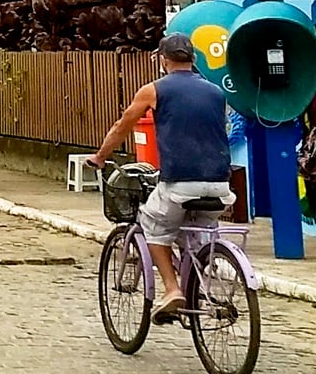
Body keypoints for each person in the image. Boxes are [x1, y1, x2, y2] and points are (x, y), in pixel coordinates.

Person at [89, 32, 235, 323]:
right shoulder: (216, 92)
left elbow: (122, 126)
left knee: (152, 226)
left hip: (179, 182)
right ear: (193, 59)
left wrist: (101, 156)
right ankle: (202, 291)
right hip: (220, 185)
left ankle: (171, 290)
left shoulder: (153, 90)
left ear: (162, 60)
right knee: (195, 235)